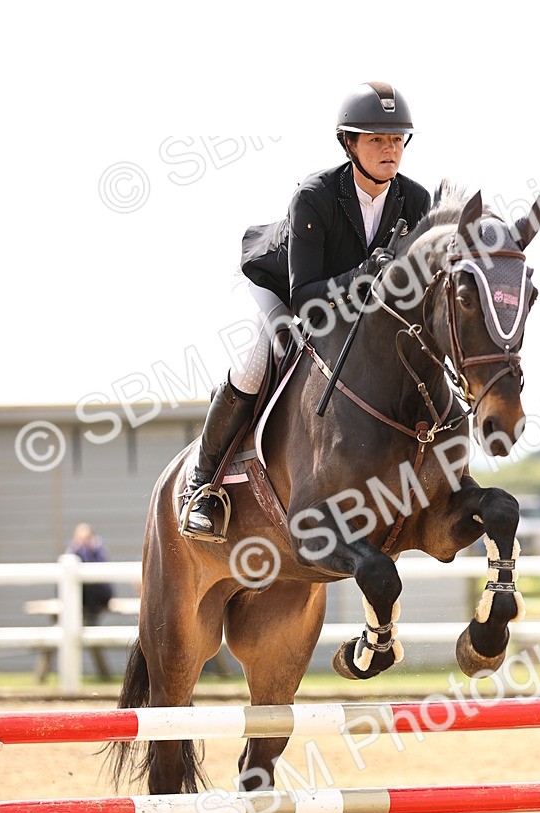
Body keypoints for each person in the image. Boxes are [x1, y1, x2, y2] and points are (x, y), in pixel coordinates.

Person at [179, 81, 431, 540]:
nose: (389, 149)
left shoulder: (416, 202)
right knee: (257, 362)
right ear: (349, 143)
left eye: (397, 139)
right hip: (274, 289)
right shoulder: (314, 197)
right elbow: (306, 300)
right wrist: (359, 276)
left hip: (350, 307)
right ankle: (203, 487)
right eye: (376, 139)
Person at [67, 523, 115, 621]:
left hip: (100, 594)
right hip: (80, 596)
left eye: (87, 538)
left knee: (90, 585)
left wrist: (86, 554)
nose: (83, 542)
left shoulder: (99, 551)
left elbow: (101, 578)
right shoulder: (71, 553)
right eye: (80, 539)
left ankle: (90, 619)